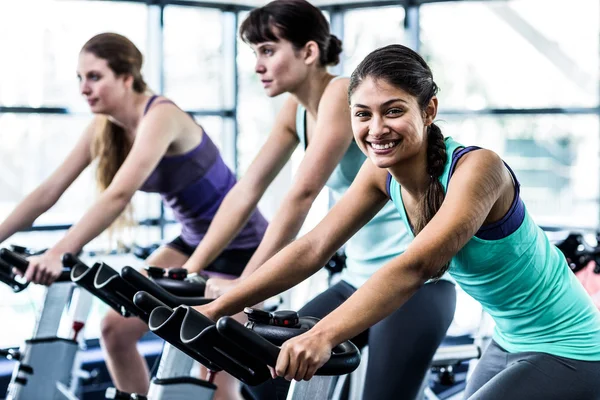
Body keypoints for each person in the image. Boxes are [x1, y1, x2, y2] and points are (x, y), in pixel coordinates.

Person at [196, 43, 600, 399]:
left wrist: (323, 334)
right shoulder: (379, 173)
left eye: (393, 111)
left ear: (429, 111)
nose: (376, 129)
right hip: (507, 341)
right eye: (362, 114)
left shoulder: (479, 169)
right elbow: (313, 247)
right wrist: (218, 307)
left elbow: (417, 266)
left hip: (571, 348)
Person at [181, 1, 456, 399]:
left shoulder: (340, 96)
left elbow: (302, 195)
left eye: (267, 50)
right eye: (254, 53)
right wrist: (194, 268)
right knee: (264, 375)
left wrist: (246, 287)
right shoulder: (295, 109)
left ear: (309, 52)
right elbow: (247, 189)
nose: (257, 65)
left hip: (412, 286)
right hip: (356, 281)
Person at [0, 32, 267, 398]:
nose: (83, 88)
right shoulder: (105, 127)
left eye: (94, 76)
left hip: (244, 248)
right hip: (191, 242)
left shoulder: (162, 116)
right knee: (114, 328)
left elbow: (118, 195)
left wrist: (59, 252)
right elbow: (49, 191)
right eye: (80, 78)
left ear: (127, 78)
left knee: (215, 372)